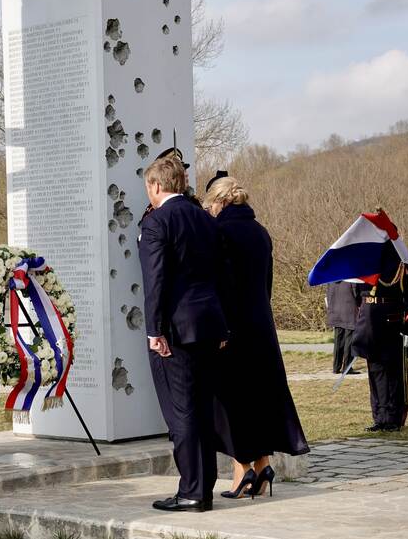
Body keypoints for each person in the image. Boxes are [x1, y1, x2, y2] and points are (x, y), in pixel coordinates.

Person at [203, 177, 309, 499]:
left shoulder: (220, 233)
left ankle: (242, 471)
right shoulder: (261, 233)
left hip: (232, 327)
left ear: (219, 202)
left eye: (209, 206)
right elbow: (268, 285)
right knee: (262, 396)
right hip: (262, 325)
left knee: (233, 400)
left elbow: (220, 285)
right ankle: (263, 466)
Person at [138, 156, 229, 512]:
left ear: (157, 186)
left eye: (148, 186)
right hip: (209, 324)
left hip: (176, 330)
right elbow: (222, 275)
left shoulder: (158, 222)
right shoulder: (206, 219)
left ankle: (191, 491)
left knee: (181, 413)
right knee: (202, 409)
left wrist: (154, 329)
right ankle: (202, 488)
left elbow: (155, 280)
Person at [351, 243, 408, 432]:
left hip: (393, 323)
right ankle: (379, 416)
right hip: (369, 323)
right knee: (375, 372)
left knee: (393, 373)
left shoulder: (402, 265)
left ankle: (393, 417)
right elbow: (359, 296)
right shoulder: (364, 265)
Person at [326, 281, 360, 374]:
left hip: (335, 311)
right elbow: (357, 294)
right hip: (349, 311)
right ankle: (347, 367)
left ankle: (336, 367)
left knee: (338, 340)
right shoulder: (351, 278)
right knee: (350, 340)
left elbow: (328, 295)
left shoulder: (331, 279)